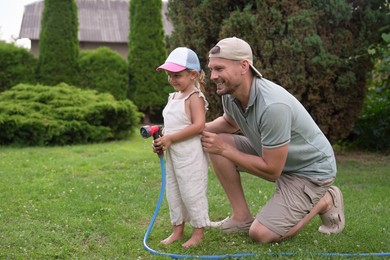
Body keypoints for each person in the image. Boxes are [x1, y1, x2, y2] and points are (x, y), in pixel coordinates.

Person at [201, 37, 345, 243]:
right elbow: (230, 122)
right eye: (211, 69)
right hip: (277, 158)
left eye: (219, 69)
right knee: (214, 141)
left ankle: (325, 199)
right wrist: (190, 132)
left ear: (243, 66)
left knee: (261, 234)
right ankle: (240, 217)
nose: (213, 76)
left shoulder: (273, 106)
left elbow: (271, 171)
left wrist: (224, 149)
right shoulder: (230, 93)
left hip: (310, 171)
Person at [153, 47, 210, 248]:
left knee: (191, 191)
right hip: (174, 155)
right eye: (169, 75)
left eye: (177, 75)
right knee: (174, 191)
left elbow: (198, 125)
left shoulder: (194, 97)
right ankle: (177, 230)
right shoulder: (173, 97)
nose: (172, 79)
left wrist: (171, 138)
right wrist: (162, 142)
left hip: (190, 156)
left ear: (192, 74)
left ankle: (198, 232)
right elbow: (170, 127)